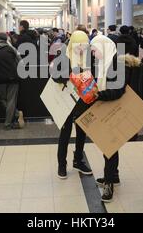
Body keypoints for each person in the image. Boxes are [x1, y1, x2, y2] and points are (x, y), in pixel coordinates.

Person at [90, 35, 131, 203]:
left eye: (94, 50)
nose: (93, 54)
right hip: (108, 107)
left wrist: (98, 95)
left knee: (109, 147)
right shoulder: (105, 62)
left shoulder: (116, 63)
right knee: (111, 146)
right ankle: (114, 176)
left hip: (114, 108)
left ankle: (109, 184)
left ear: (103, 47)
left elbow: (118, 90)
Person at [52, 31, 93, 179]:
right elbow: (55, 77)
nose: (82, 49)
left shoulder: (87, 58)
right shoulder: (63, 56)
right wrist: (72, 75)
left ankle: (78, 160)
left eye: (84, 45)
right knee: (65, 133)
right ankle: (61, 165)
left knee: (82, 132)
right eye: (79, 45)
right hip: (66, 101)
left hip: (82, 101)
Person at [0, 33, 25, 129]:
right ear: (7, 39)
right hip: (13, 78)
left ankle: (14, 117)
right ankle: (10, 121)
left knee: (2, 99)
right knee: (11, 101)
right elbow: (21, 61)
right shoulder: (11, 49)